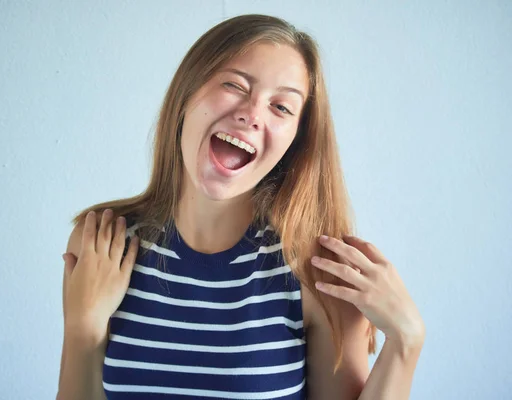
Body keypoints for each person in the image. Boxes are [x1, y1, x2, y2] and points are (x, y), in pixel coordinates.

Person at [57, 14, 426, 400]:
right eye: (234, 85)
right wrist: (83, 328)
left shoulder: (317, 272)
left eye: (281, 107)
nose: (252, 113)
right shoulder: (103, 243)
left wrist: (406, 342)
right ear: (187, 92)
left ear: (295, 142)